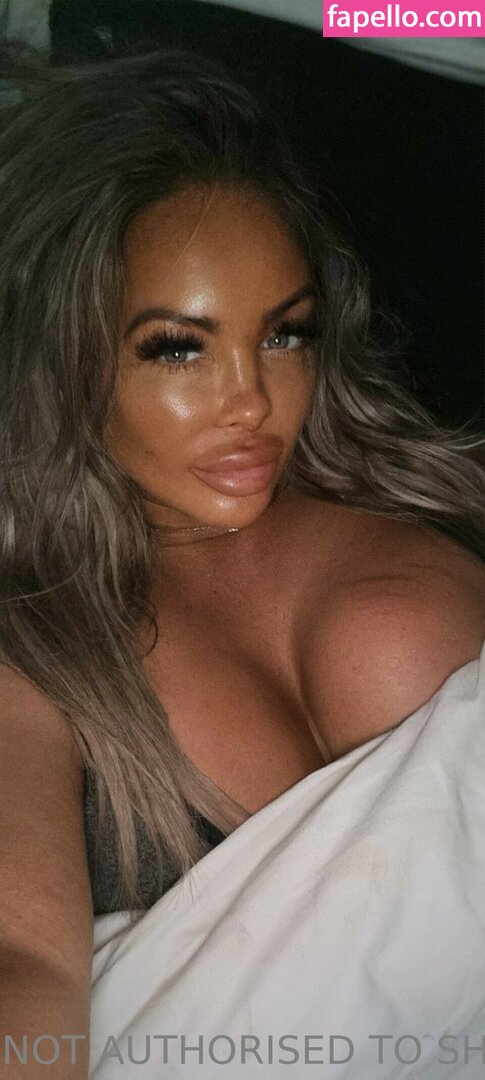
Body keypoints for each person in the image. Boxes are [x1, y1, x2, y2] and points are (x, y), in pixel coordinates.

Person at [0, 45, 483, 1079]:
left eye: (284, 335)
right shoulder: (35, 647)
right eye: (178, 347)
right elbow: (23, 964)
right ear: (59, 355)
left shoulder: (425, 531)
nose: (252, 401)